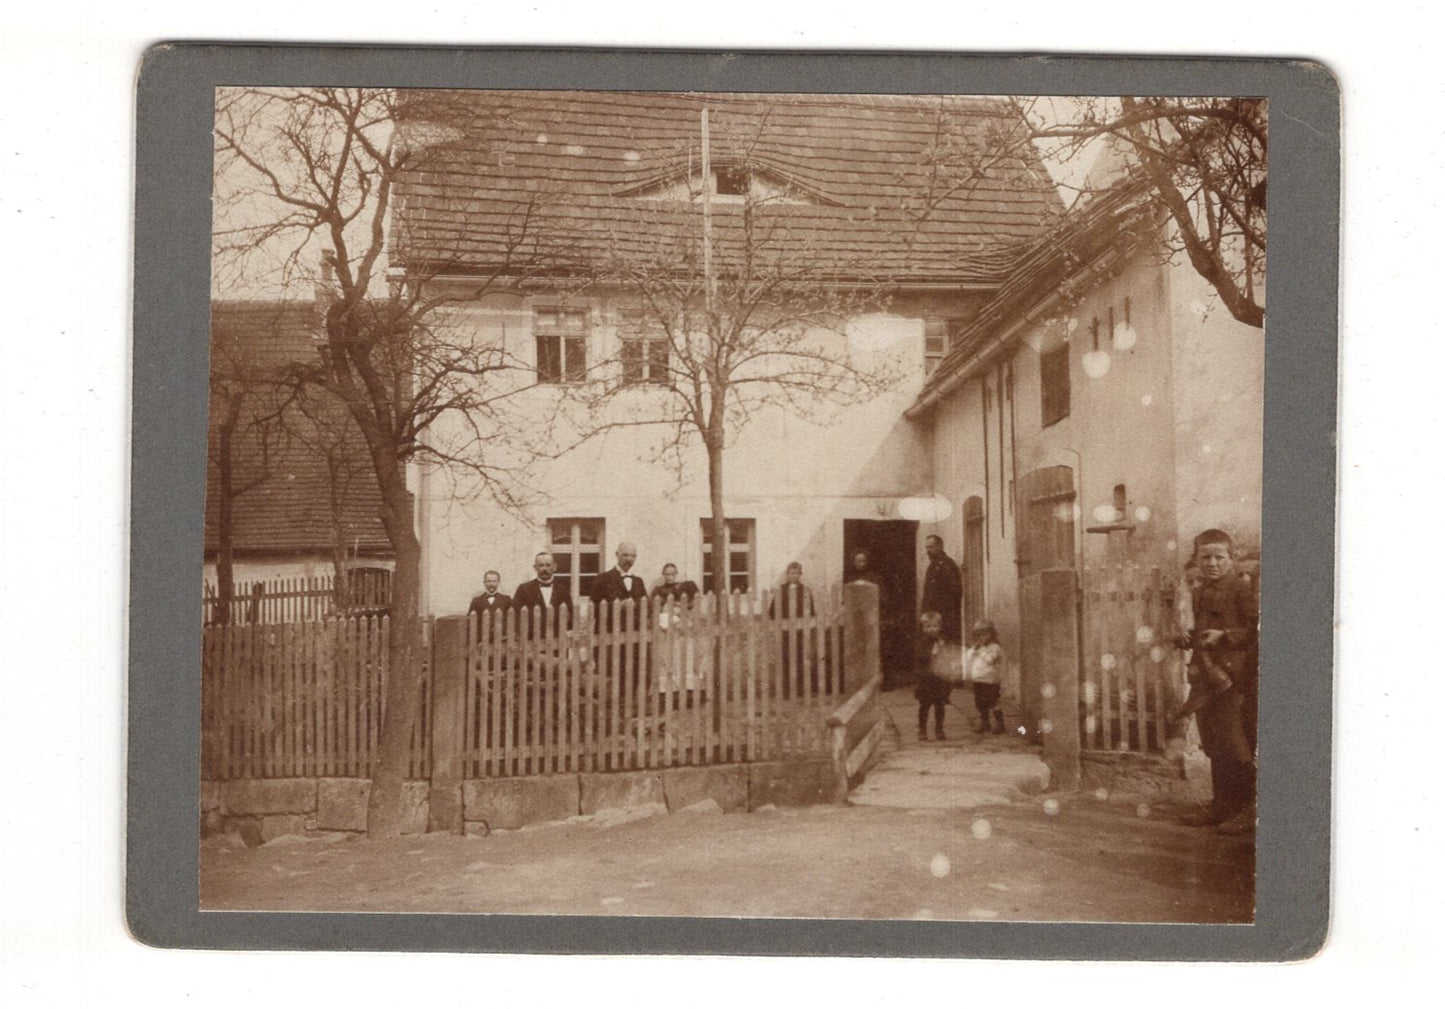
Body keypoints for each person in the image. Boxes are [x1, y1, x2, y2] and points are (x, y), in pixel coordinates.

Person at [1172, 528, 1258, 835]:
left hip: (1233, 680)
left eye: (1219, 557)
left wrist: (1225, 636)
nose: (1212, 563)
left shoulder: (1241, 589)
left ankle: (1249, 809)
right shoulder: (1199, 592)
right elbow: (1201, 633)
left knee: (1236, 744)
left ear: (1232, 559)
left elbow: (1255, 631)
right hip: (1205, 678)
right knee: (1214, 744)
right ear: (1195, 560)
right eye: (1204, 557)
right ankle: (1222, 805)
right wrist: (1185, 638)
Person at [590, 542, 650, 696]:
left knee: (633, 673)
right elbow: (594, 607)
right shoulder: (603, 578)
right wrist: (617, 606)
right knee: (610, 674)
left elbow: (647, 607)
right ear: (616, 554)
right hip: (610, 637)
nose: (629, 559)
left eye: (632, 556)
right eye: (625, 555)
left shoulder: (638, 581)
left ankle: (630, 708)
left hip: (633, 637)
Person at [770, 562, 817, 697]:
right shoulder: (781, 590)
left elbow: (811, 611)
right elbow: (772, 612)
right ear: (787, 574)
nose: (794, 575)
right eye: (792, 573)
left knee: (800, 658)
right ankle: (786, 690)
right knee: (785, 658)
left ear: (800, 575)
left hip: (801, 631)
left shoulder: (805, 591)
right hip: (785, 631)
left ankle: (800, 689)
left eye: (797, 573)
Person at [914, 611, 953, 741]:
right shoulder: (920, 641)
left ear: (940, 627)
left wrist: (943, 651)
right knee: (924, 705)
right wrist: (931, 653)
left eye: (934, 626)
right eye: (928, 627)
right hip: (926, 678)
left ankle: (939, 729)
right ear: (923, 628)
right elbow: (919, 656)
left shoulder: (943, 640)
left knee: (940, 705)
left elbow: (949, 656)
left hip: (939, 679)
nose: (931, 629)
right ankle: (922, 730)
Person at [511, 551, 573, 629]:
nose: (544, 569)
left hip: (556, 637)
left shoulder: (563, 589)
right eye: (541, 565)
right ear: (535, 567)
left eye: (548, 565)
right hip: (531, 637)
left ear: (554, 567)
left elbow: (570, 614)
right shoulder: (524, 589)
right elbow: (515, 615)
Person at [920, 535, 963, 644]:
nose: (928, 551)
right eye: (927, 548)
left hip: (943, 618)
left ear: (940, 546)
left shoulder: (948, 565)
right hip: (931, 619)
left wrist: (944, 619)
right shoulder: (932, 566)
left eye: (931, 547)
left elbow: (955, 594)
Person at [965, 620, 1005, 734]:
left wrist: (982, 651)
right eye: (979, 635)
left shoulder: (995, 647)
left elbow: (990, 660)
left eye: (985, 634)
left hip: (990, 681)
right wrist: (973, 650)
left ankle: (1000, 724)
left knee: (993, 701)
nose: (983, 637)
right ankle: (985, 723)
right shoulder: (977, 647)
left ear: (992, 634)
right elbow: (968, 657)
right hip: (978, 680)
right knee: (980, 703)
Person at [467, 570, 512, 637]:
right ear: (484, 583)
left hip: (502, 638)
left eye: (494, 581)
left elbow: (512, 619)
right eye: (488, 581)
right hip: (483, 639)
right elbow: (470, 622)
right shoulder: (476, 601)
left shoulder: (506, 599)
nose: (491, 584)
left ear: (498, 582)